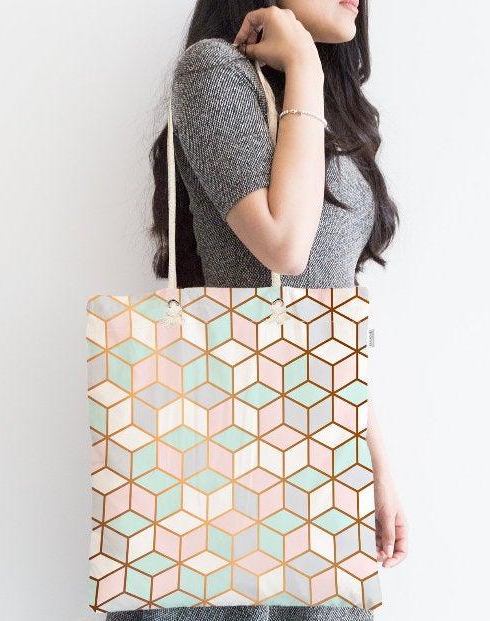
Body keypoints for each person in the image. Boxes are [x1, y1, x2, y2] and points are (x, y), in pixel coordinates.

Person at [109, 1, 407, 619]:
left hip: (324, 458)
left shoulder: (330, 114)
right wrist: (304, 66)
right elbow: (285, 247)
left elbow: (330, 312)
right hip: (219, 456)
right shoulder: (215, 71)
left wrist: (375, 464)